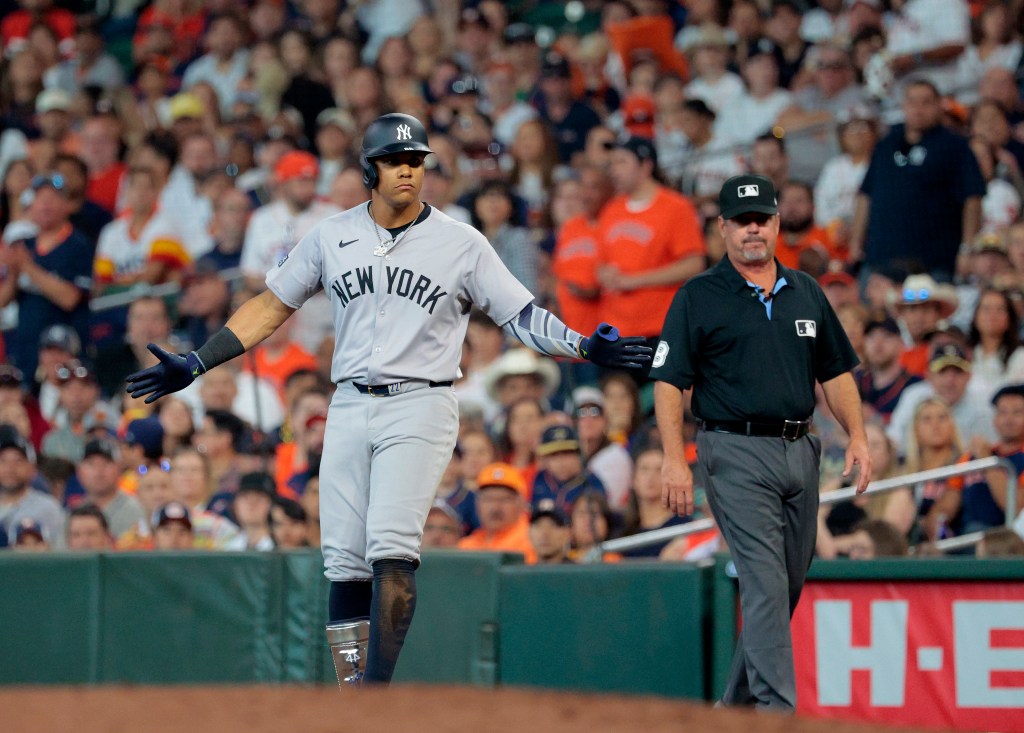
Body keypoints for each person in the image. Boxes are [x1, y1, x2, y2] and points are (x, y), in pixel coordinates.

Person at [125, 112, 651, 687]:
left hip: (421, 402)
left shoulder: (460, 242)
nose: (408, 171)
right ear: (368, 170)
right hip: (348, 402)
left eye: (415, 161)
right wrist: (200, 360)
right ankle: (355, 697)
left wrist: (580, 346)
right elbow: (271, 305)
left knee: (392, 550)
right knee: (344, 563)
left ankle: (376, 700)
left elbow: (519, 315)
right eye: (395, 162)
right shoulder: (331, 234)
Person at [652, 174, 871, 712]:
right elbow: (668, 381)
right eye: (742, 220)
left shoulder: (806, 290)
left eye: (763, 219)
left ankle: (733, 711)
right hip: (734, 450)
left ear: (776, 224)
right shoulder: (698, 295)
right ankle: (778, 714)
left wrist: (859, 436)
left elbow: (836, 373)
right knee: (766, 583)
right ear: (722, 229)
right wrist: (673, 460)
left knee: (788, 585)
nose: (754, 229)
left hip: (802, 448)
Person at [456, 462, 536, 563]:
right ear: (477, 504)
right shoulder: (467, 545)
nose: (495, 507)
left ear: (521, 504)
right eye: (488, 499)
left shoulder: (534, 541)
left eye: (504, 499)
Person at [528, 499, 572, 564]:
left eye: (553, 525)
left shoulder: (580, 573)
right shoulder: (522, 573)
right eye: (539, 525)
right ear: (529, 533)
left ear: (567, 533)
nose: (544, 533)